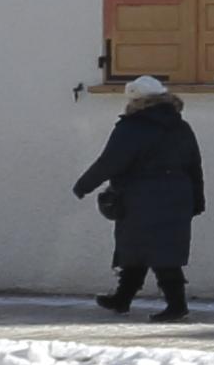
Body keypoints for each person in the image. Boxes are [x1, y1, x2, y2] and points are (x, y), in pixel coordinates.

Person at [71, 78, 206, 318]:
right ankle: (123, 298)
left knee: (143, 249)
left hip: (141, 197)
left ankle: (175, 305)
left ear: (136, 100)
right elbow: (194, 165)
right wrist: (197, 199)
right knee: (156, 249)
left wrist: (84, 185)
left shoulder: (132, 127)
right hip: (177, 195)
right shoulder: (180, 126)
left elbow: (110, 162)